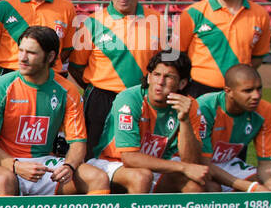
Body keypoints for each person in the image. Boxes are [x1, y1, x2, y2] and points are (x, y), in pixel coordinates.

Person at [0, 26, 107, 197]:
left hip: (43, 163)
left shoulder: (67, 91)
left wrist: (69, 166)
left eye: (31, 53)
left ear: (51, 56)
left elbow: (77, 143)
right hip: (3, 162)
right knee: (4, 180)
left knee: (98, 178)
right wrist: (17, 166)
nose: (22, 58)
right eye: (21, 50)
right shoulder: (1, 87)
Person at [68, 0, 168, 151]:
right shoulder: (92, 23)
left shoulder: (157, 21)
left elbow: (161, 65)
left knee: (135, 154)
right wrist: (99, 87)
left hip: (140, 99)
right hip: (101, 100)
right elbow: (76, 66)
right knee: (94, 155)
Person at [87, 51, 207, 194]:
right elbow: (129, 158)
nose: (160, 82)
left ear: (182, 83)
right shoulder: (129, 99)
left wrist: (185, 121)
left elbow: (191, 161)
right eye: (156, 75)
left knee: (195, 186)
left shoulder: (189, 106)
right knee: (142, 177)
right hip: (110, 163)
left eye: (168, 77)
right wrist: (182, 167)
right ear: (149, 77)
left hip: (155, 167)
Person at [176, 0, 271, 96]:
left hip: (238, 92)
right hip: (197, 91)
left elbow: (257, 57)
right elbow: (176, 53)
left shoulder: (260, 15)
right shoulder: (193, 13)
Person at [199, 64, 271, 192]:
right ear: (228, 91)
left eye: (259, 89)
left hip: (227, 163)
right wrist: (251, 187)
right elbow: (202, 162)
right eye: (248, 91)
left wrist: (270, 184)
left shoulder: (265, 111)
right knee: (213, 189)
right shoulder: (206, 107)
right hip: (199, 163)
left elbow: (266, 162)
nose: (256, 96)